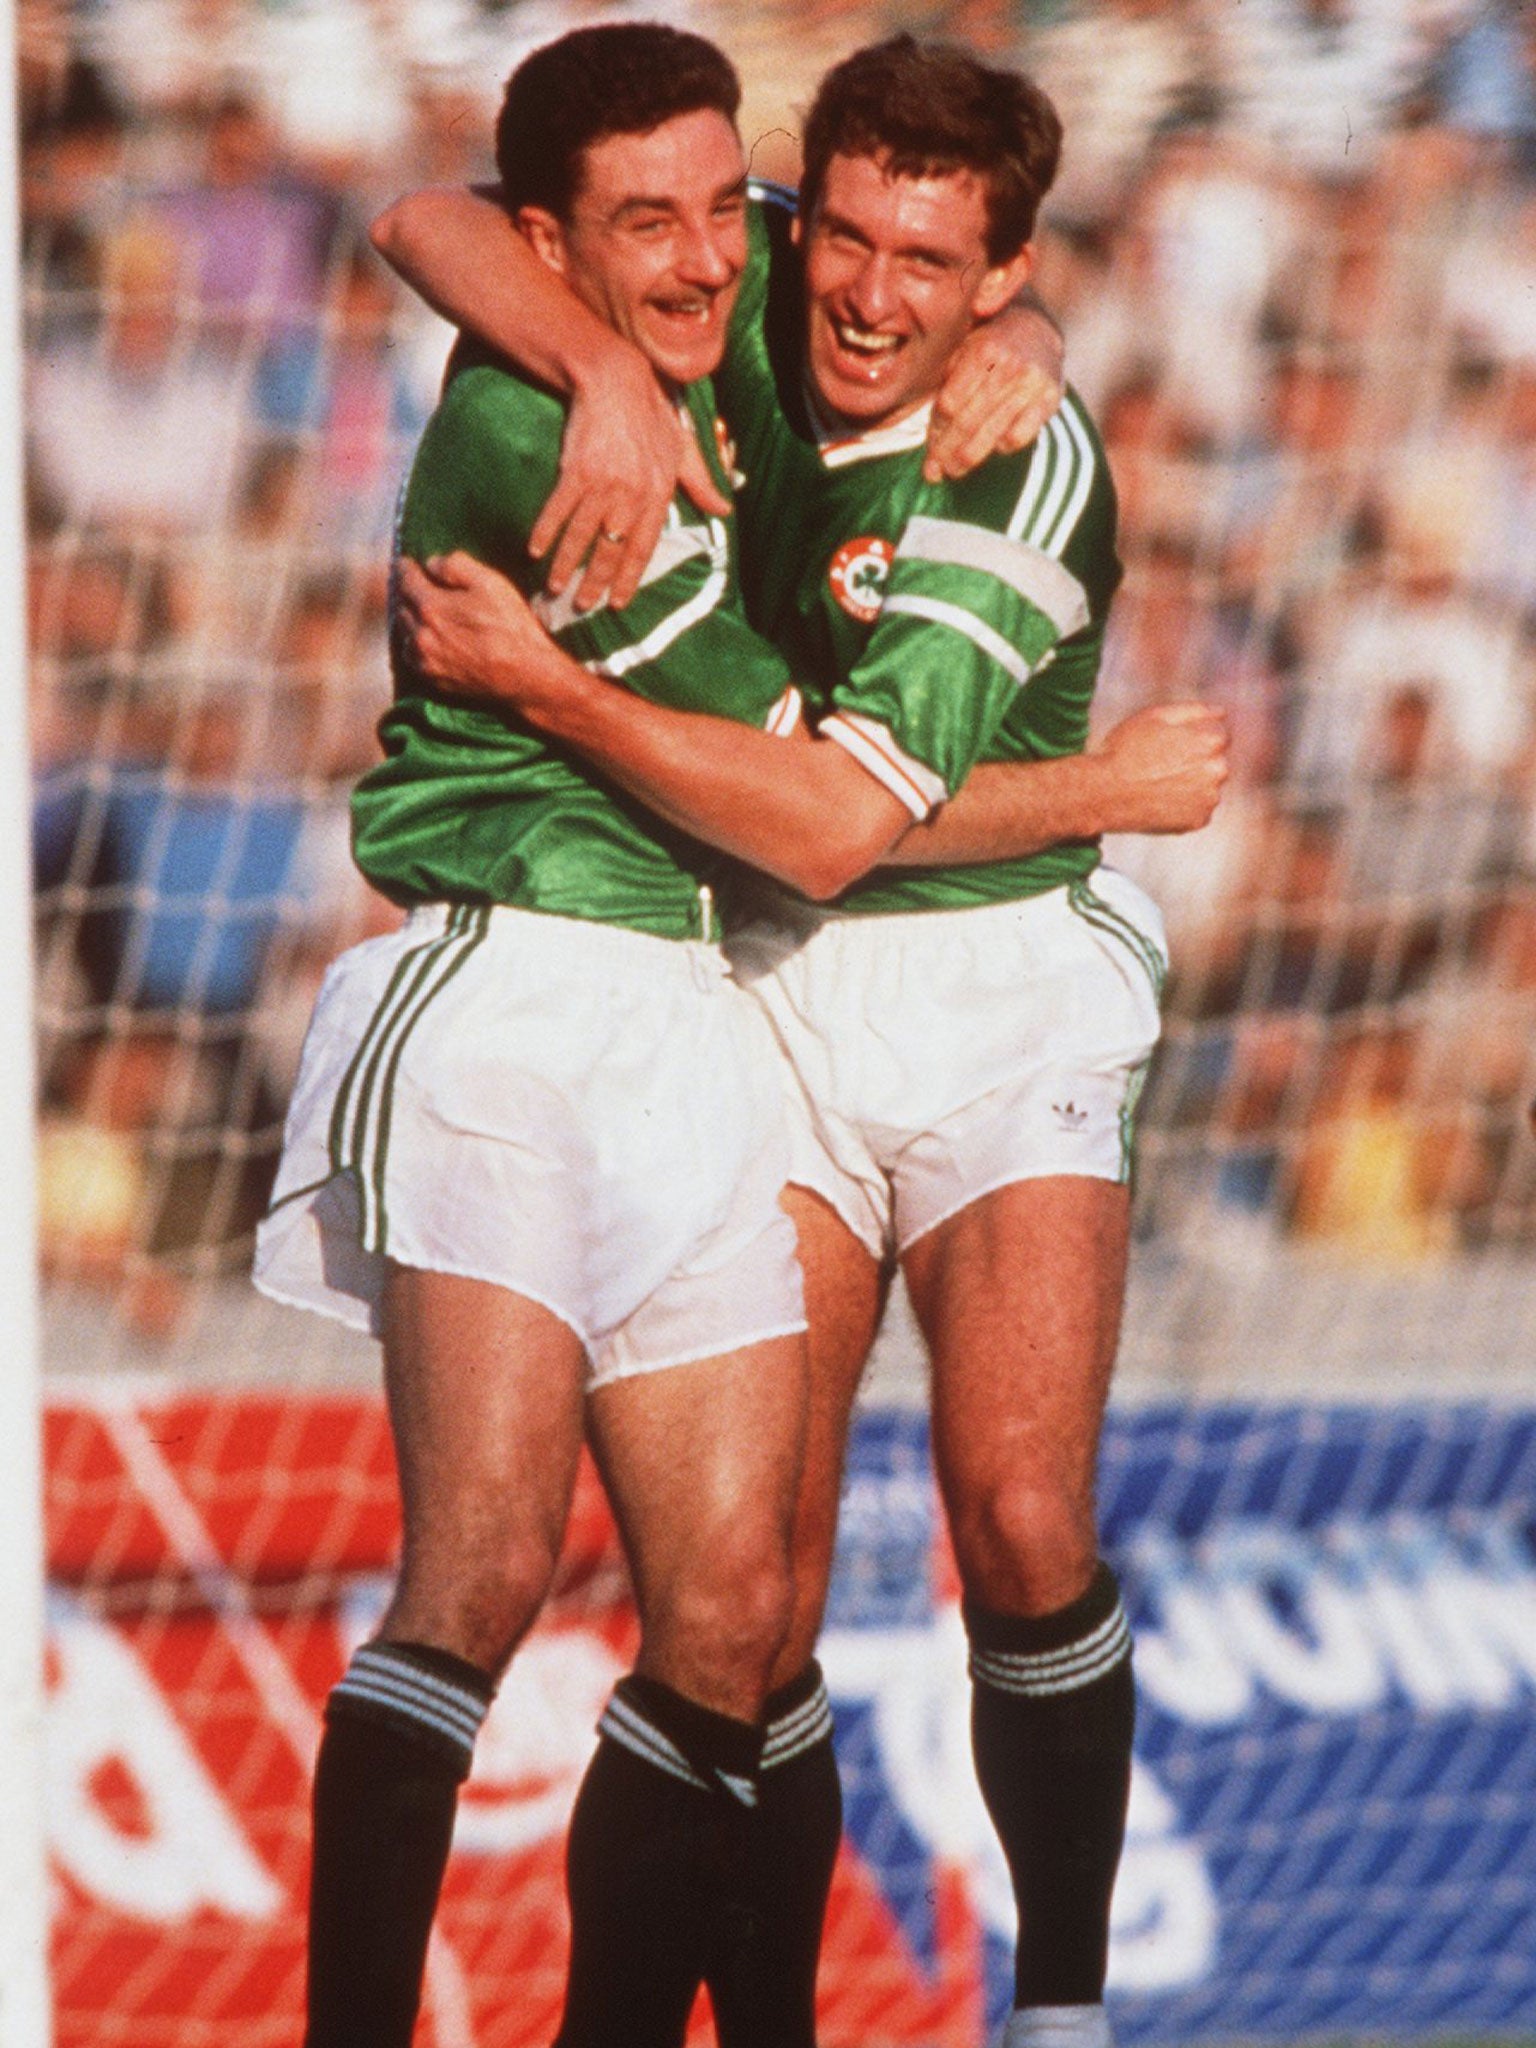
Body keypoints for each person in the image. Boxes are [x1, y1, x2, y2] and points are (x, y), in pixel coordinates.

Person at [385, 35, 1229, 2048]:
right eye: (842, 236)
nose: (866, 296)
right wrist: (594, 366)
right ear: (799, 208)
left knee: (1017, 1509)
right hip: (754, 976)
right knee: (736, 1600)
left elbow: (850, 822)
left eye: (934, 267)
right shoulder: (735, 274)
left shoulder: (1025, 455)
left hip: (995, 981)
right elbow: (423, 218)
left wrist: (566, 701)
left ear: (1007, 271)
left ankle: (1069, 2006)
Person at [254, 29, 821, 2048]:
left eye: (713, 206)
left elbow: (429, 215)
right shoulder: (529, 429)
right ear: (552, 246)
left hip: (687, 1002)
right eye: (636, 228)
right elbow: (795, 795)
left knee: (741, 1612)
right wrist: (579, 372)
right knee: (486, 1564)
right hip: (506, 988)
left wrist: (1009, 346)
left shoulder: (698, 335)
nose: (695, 258)